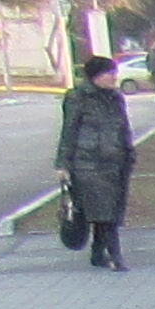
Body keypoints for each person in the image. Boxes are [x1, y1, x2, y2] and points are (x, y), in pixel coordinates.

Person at [55, 55, 136, 273]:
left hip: (116, 162)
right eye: (109, 73)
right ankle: (116, 256)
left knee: (110, 210)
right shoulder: (78, 97)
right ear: (95, 76)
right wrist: (62, 164)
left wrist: (129, 153)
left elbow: (123, 128)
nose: (113, 77)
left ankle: (98, 254)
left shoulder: (116, 98)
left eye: (114, 73)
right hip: (88, 164)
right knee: (103, 210)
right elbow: (69, 132)